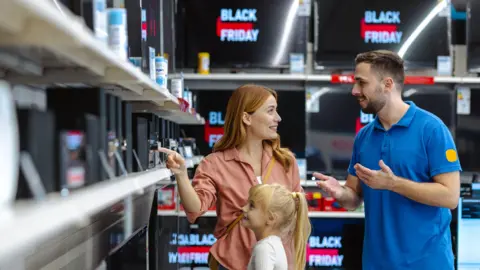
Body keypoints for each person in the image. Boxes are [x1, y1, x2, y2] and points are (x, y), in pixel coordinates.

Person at [314, 50, 461, 270]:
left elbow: (450, 197)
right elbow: (354, 199)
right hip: (376, 264)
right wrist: (340, 193)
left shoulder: (432, 129)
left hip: (427, 264)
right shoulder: (364, 137)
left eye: (362, 83)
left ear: (387, 84)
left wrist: (394, 184)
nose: (355, 91)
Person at [159, 84, 303, 270]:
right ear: (246, 117)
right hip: (232, 264)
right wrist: (181, 174)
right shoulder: (215, 164)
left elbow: (297, 216)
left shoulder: (286, 161)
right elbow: (195, 210)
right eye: (270, 111)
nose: (278, 118)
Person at [241, 184, 311, 270]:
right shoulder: (274, 245)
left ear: (271, 218)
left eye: (252, 206)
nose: (243, 208)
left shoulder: (264, 248)